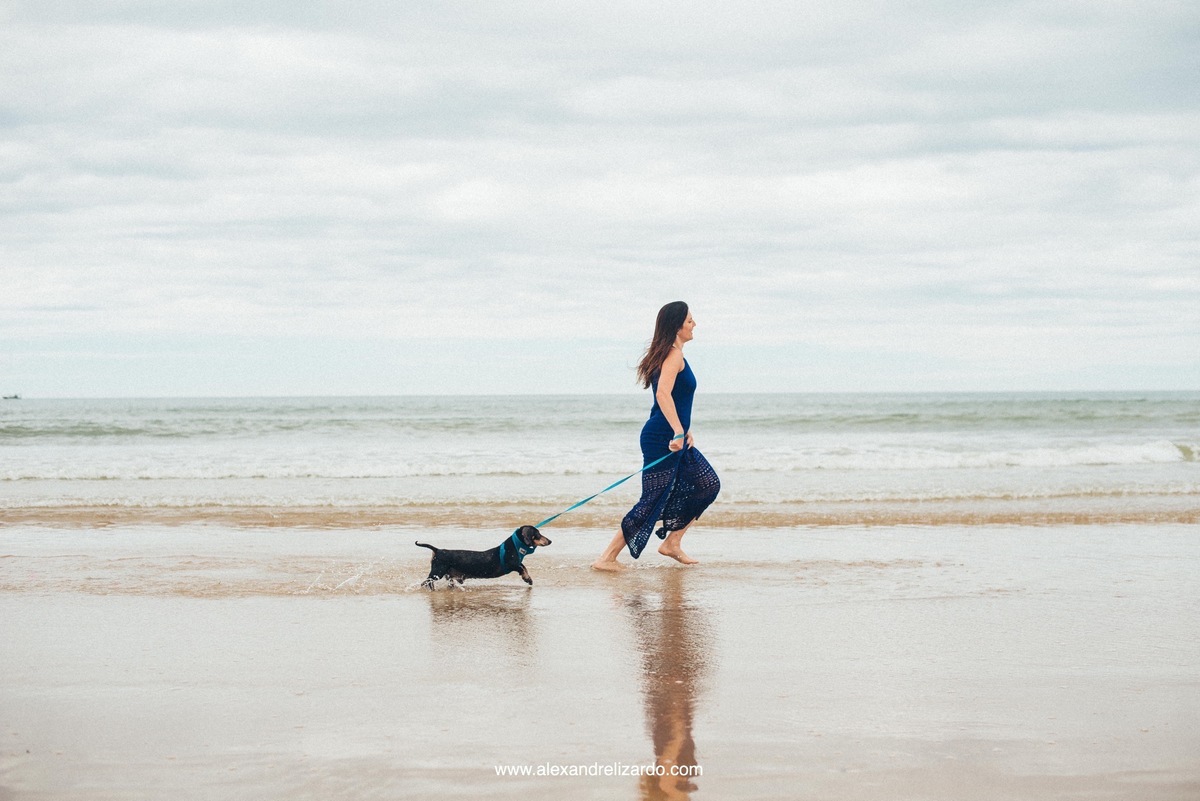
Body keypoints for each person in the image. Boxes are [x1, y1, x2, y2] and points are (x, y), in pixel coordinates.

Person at [592, 301, 721, 571]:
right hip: (663, 438)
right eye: (689, 321)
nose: (694, 324)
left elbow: (674, 398)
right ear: (676, 326)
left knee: (707, 483)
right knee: (651, 499)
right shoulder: (673, 356)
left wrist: (684, 429)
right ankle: (607, 558)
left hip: (671, 434)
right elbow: (662, 394)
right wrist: (677, 430)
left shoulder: (672, 355)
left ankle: (672, 542)